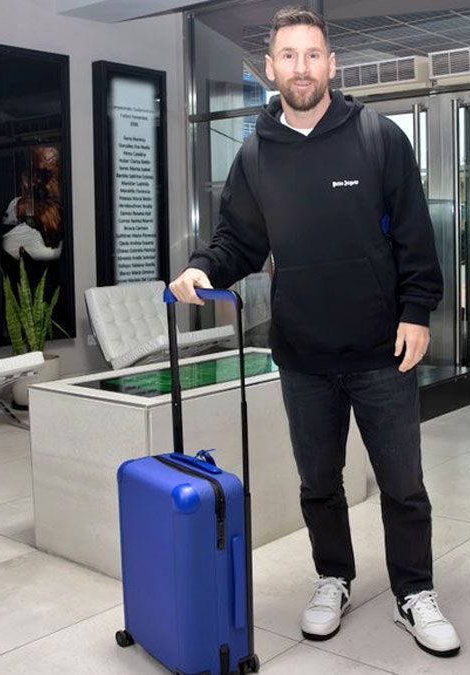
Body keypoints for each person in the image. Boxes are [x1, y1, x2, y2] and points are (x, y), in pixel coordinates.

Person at [167, 5, 455, 659]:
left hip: (382, 351)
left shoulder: (378, 138)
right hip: (302, 355)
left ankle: (415, 591)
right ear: (271, 68)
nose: (302, 67)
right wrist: (203, 267)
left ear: (332, 64)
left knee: (403, 485)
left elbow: (415, 238)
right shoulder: (255, 154)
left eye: (313, 54)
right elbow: (238, 241)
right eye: (289, 56)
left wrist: (416, 312)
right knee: (318, 483)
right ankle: (334, 577)